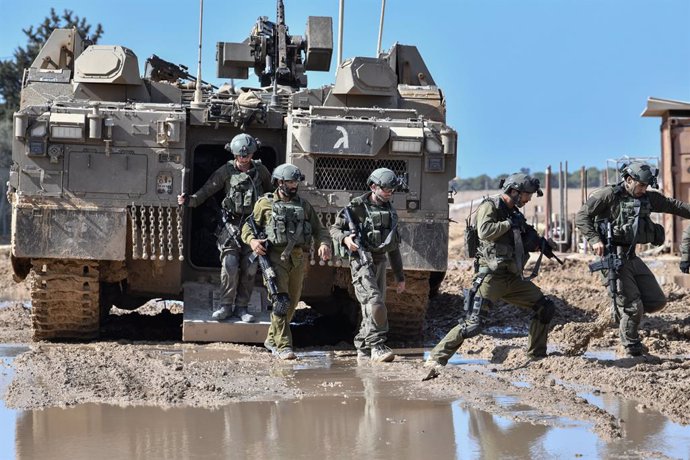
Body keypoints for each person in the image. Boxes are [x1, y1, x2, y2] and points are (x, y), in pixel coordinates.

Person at [425, 173, 556, 373]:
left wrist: (541, 244)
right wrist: (508, 225)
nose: (528, 199)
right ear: (513, 191)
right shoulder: (491, 206)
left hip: (512, 278)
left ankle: (536, 355)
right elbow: (484, 231)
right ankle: (436, 357)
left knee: (544, 307)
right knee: (473, 324)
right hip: (491, 278)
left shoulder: (515, 214)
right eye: (526, 195)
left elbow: (524, 236)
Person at [575, 161, 690, 356]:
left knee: (656, 301)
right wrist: (595, 240)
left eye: (646, 186)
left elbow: (673, 205)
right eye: (641, 185)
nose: (643, 190)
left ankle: (619, 310)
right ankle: (630, 345)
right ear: (629, 180)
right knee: (633, 305)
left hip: (631, 256)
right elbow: (581, 217)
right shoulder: (608, 195)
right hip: (612, 257)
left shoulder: (647, 198)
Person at [178, 133, 272, 322]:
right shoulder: (226, 171)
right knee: (229, 265)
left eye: (247, 155)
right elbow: (207, 190)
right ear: (234, 155)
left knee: (251, 267)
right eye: (240, 156)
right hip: (231, 226)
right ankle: (225, 306)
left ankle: (242, 308)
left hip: (254, 226)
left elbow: (271, 193)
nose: (244, 159)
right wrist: (189, 201)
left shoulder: (260, 171)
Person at [241, 163, 332, 360]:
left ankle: (272, 340)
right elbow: (248, 227)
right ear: (279, 182)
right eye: (290, 182)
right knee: (280, 302)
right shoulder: (265, 204)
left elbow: (319, 229)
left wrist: (324, 243)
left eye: (295, 182)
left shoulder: (303, 206)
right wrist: (252, 241)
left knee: (292, 304)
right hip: (274, 259)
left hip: (297, 260)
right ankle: (284, 346)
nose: (294, 186)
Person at [329, 168, 406, 363]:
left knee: (374, 305)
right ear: (373, 187)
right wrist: (346, 239)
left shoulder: (390, 211)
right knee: (374, 303)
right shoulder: (356, 208)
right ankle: (377, 345)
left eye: (392, 190)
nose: (390, 193)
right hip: (361, 261)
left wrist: (400, 276)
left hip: (380, 262)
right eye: (386, 189)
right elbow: (334, 229)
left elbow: (393, 246)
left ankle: (362, 346)